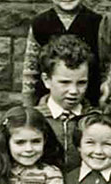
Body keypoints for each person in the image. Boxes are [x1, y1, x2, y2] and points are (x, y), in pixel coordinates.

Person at [21, 0, 102, 107]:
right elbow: (30, 71)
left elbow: (104, 68)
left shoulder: (98, 22)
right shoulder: (40, 24)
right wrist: (28, 106)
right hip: (47, 102)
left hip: (89, 103)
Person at [35, 34, 93, 170]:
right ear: (46, 80)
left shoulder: (95, 119)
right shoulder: (33, 119)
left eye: (81, 83)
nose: (73, 91)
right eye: (65, 82)